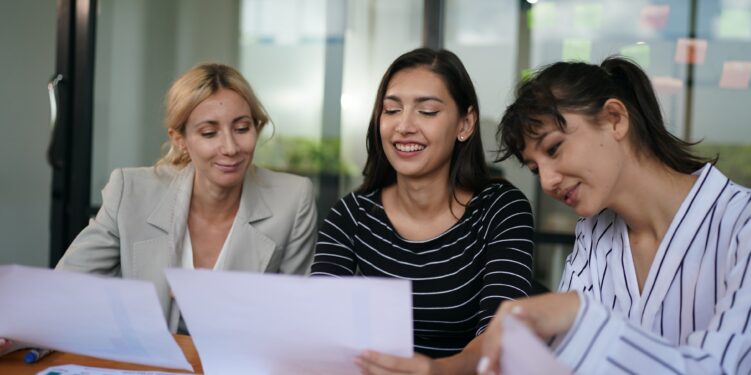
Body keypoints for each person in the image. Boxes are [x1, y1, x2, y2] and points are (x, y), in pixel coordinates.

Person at [478, 57, 751, 375]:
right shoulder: (594, 236)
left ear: (615, 119)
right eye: (535, 169)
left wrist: (580, 315)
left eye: (553, 149)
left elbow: (720, 369)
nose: (547, 181)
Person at [0, 63, 317, 355]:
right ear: (180, 139)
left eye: (242, 128)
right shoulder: (132, 190)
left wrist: (224, 307)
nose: (231, 147)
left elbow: (298, 320)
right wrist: (13, 332)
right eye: (209, 133)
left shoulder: (292, 199)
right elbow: (64, 290)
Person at [310, 48, 534, 375]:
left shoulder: (500, 209)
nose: (404, 126)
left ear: (465, 123)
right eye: (391, 109)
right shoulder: (351, 215)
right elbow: (319, 327)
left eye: (427, 111)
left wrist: (437, 370)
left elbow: (499, 335)